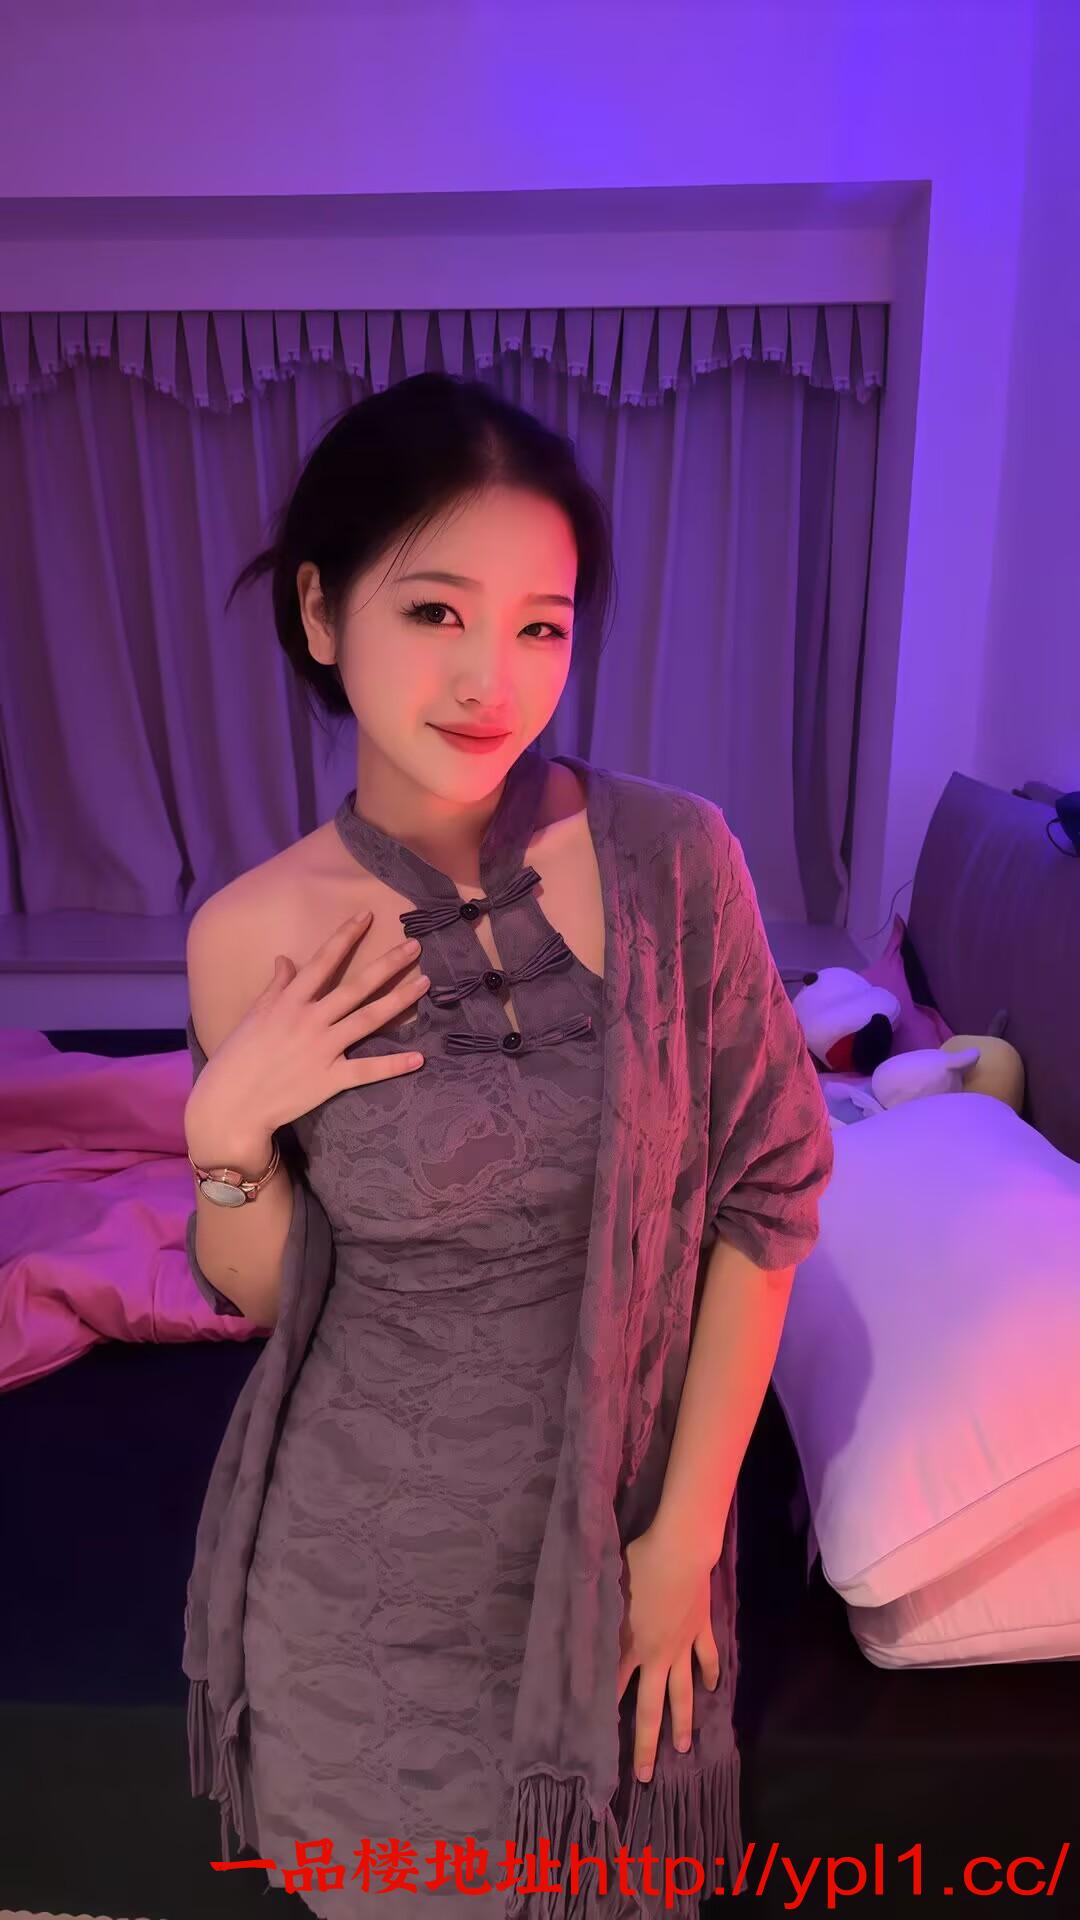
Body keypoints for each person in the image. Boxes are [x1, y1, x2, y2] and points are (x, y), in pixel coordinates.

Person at [182, 371, 834, 1918]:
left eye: (542, 626)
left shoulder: (675, 859)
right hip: (354, 1590)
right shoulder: (248, 932)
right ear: (322, 613)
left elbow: (768, 1195)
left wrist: (679, 1542)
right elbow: (272, 1295)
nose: (493, 677)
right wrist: (226, 1136)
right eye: (436, 612)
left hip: (618, 1552)